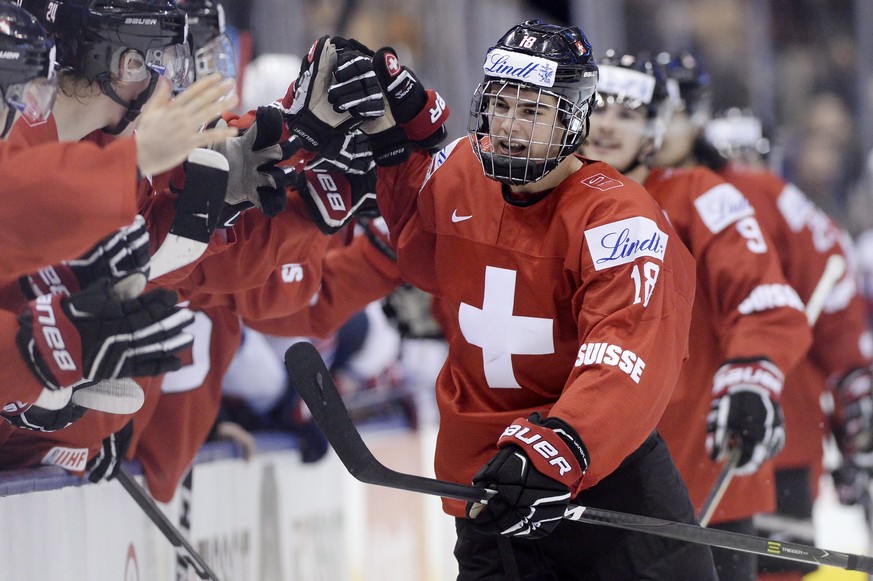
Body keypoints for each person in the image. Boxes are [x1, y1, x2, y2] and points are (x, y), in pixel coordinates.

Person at [327, 19, 715, 578]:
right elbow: (416, 238)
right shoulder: (462, 170)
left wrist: (565, 443)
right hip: (492, 486)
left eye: (532, 112)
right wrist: (391, 136)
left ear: (573, 118)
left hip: (605, 475)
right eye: (501, 106)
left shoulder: (618, 216)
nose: (509, 126)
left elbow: (628, 345)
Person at [581, 51, 813, 581]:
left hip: (700, 475)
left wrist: (751, 379)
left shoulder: (702, 197)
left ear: (655, 128)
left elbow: (766, 302)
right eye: (598, 108)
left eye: (629, 113)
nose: (609, 125)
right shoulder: (554, 201)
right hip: (585, 479)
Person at [660, 62, 873, 581]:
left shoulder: (755, 193)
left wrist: (851, 386)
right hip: (703, 428)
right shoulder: (636, 191)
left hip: (769, 419)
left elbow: (833, 285)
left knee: (772, 569)